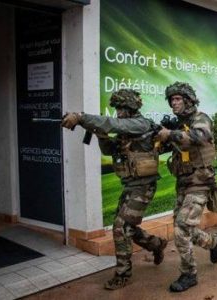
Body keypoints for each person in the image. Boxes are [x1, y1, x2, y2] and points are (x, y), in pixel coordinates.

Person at [61, 89, 167, 290]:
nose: (118, 112)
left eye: (121, 108)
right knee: (128, 228)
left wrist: (81, 117)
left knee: (120, 227)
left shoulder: (139, 124)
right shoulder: (126, 130)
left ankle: (123, 274)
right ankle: (157, 244)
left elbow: (113, 124)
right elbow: (109, 150)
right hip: (130, 185)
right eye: (116, 108)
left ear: (130, 108)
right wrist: (100, 135)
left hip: (144, 186)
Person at [157, 82, 217, 292]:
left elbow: (198, 136)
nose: (173, 103)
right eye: (171, 100)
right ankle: (213, 242)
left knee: (182, 227)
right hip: (183, 183)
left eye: (177, 99)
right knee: (186, 226)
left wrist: (170, 134)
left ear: (188, 100)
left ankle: (189, 274)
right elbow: (164, 147)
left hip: (200, 183)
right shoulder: (178, 124)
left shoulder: (201, 119)